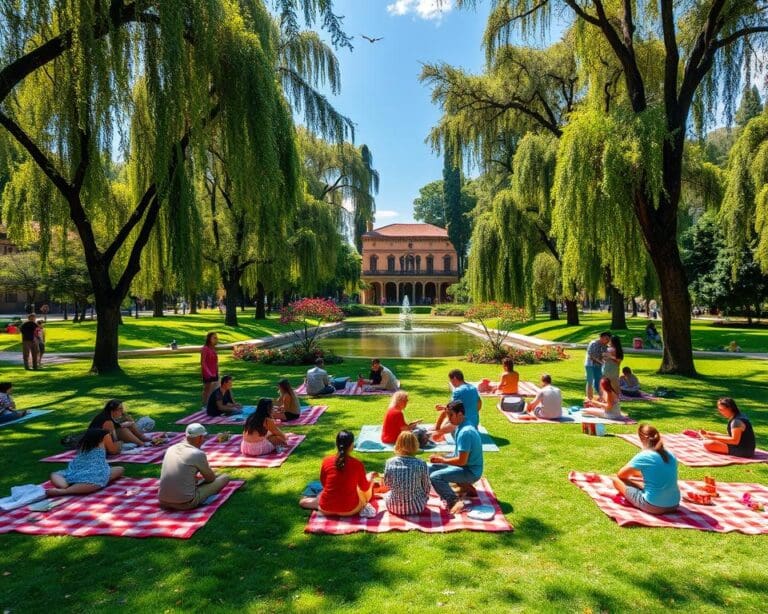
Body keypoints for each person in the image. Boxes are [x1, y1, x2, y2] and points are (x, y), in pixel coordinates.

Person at [299, 430, 377, 517]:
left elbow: (324, 484)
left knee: (307, 499)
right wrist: (370, 480)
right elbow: (364, 487)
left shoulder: (326, 461)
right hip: (350, 509)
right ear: (351, 445)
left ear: (336, 444)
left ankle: (315, 501)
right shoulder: (357, 464)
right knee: (362, 492)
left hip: (325, 508)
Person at [158, 423, 231, 510]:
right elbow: (210, 479)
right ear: (200, 438)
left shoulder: (171, 449)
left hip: (163, 501)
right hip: (186, 503)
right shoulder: (197, 454)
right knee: (225, 477)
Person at [429, 401, 483, 514]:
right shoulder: (462, 424)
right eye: (448, 415)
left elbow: (462, 461)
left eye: (450, 415)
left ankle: (454, 502)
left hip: (470, 471)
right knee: (429, 467)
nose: (448, 419)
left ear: (460, 414)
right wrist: (441, 459)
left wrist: (442, 460)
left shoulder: (465, 432)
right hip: (465, 467)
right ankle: (468, 488)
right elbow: (458, 455)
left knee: (435, 477)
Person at [612, 424, 680, 515]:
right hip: (674, 504)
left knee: (616, 479)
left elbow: (621, 475)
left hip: (653, 506)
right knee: (640, 485)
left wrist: (633, 475)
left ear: (642, 439)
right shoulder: (670, 454)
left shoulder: (645, 455)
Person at [46, 429, 124, 497]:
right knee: (97, 480)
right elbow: (113, 450)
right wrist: (120, 443)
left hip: (78, 468)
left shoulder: (85, 442)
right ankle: (66, 490)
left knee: (119, 469)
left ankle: (65, 485)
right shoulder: (105, 435)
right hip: (93, 471)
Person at [382, 431, 430, 516]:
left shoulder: (390, 462)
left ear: (398, 444)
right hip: (417, 507)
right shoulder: (421, 463)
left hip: (393, 507)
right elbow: (426, 487)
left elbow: (387, 484)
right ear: (416, 445)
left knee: (387, 494)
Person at [433, 369, 482, 440]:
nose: (451, 383)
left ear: (455, 378)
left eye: (450, 380)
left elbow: (449, 409)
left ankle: (438, 430)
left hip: (461, 426)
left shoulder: (458, 391)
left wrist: (437, 428)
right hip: (474, 424)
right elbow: (479, 404)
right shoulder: (473, 388)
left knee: (442, 427)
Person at [584, 331, 611, 399]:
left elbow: (604, 356)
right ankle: (589, 398)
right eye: (606, 339)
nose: (608, 341)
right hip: (590, 365)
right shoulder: (593, 344)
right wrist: (601, 362)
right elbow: (591, 356)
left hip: (598, 366)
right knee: (590, 381)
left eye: (609, 339)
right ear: (601, 338)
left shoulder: (605, 346)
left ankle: (601, 397)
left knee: (598, 381)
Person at [201, 332, 219, 409]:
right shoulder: (205, 349)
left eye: (216, 338)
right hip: (208, 373)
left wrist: (216, 371)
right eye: (214, 338)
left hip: (214, 372)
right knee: (207, 389)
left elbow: (215, 362)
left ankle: (211, 405)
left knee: (213, 390)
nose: (216, 339)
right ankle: (205, 405)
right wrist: (209, 373)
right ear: (209, 339)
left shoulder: (213, 349)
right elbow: (203, 362)